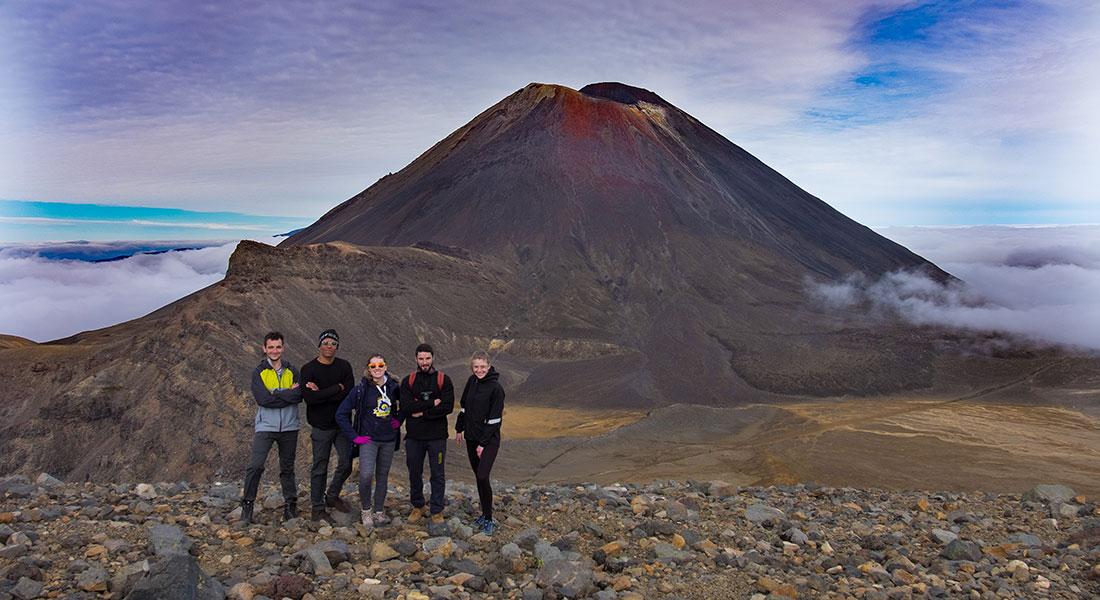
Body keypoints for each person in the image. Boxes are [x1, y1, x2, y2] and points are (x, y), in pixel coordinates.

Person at [241, 331, 302, 525]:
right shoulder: (259, 372)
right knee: (256, 465)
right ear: (264, 349)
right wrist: (285, 393)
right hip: (266, 426)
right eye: (271, 347)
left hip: (290, 427)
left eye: (278, 347)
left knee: (287, 467)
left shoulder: (293, 370)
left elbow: (299, 396)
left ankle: (290, 506)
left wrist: (275, 394)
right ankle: (247, 505)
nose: (274, 351)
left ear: (283, 348)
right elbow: (263, 399)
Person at [335, 354, 402, 528]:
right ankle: (366, 511)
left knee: (382, 476)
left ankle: (379, 512)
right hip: (368, 440)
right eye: (373, 366)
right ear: (368, 369)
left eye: (380, 364)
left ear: (386, 366)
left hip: (388, 439)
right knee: (365, 476)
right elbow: (341, 414)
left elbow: (407, 405)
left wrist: (399, 419)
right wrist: (354, 437)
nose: (377, 368)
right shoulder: (361, 389)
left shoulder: (395, 387)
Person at [300, 329, 356, 521]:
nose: (329, 347)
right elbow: (310, 399)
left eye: (333, 344)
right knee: (320, 466)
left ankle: (332, 496)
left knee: (347, 462)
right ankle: (317, 508)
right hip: (320, 426)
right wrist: (335, 388)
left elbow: (349, 396)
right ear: (319, 345)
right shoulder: (308, 369)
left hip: (342, 425)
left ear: (337, 347)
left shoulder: (344, 367)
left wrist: (322, 392)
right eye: (325, 343)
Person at [399, 343, 454, 526]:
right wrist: (432, 403)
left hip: (437, 437)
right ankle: (418, 505)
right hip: (414, 437)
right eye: (421, 359)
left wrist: (422, 412)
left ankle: (437, 510)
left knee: (437, 473)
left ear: (433, 358)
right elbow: (406, 408)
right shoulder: (408, 381)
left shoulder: (443, 380)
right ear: (416, 359)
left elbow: (447, 407)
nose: (424, 362)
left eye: (427, 358)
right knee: (414, 472)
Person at [455, 351, 505, 534]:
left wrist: (482, 444)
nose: (479, 370)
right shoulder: (472, 381)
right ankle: (484, 515)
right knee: (478, 477)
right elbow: (464, 407)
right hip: (471, 437)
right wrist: (459, 428)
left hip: (488, 441)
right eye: (476, 367)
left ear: (489, 366)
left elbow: (494, 420)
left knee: (483, 475)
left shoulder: (496, 389)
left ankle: (490, 519)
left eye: (483, 366)